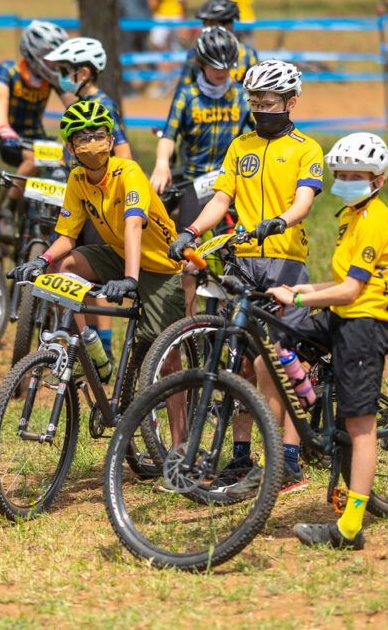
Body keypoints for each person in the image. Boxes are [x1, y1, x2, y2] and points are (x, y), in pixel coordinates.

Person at [168, 60, 324, 493]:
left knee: (270, 363)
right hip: (242, 265)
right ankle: (240, 459)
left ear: (291, 102)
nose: (259, 108)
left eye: (268, 101)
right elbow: (222, 197)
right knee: (236, 365)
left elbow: (304, 201)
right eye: (253, 101)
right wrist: (192, 231)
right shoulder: (240, 146)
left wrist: (280, 221)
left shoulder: (306, 149)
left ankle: (284, 462)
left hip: (284, 264)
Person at [264, 132, 388, 549]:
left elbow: (351, 292)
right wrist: (289, 298)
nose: (343, 180)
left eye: (353, 175)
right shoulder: (349, 215)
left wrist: (301, 295)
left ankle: (349, 527)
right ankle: (314, 406)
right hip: (340, 314)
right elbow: (339, 283)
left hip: (364, 323)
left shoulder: (376, 220)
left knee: (360, 427)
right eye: (339, 173)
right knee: (280, 337)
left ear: (376, 181)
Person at [11, 100, 186, 374]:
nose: (93, 143)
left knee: (167, 362)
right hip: (118, 253)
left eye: (99, 136)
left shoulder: (129, 172)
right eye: (83, 137)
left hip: (159, 265)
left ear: (111, 139)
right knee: (61, 267)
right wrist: (42, 261)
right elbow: (67, 236)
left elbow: (133, 226)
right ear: (70, 148)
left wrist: (130, 280)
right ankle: (84, 349)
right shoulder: (77, 179)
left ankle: (180, 418)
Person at [151, 27, 253, 312]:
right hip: (196, 182)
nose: (221, 72)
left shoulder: (241, 97)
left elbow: (258, 137)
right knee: (186, 252)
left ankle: (234, 315)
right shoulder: (187, 95)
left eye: (227, 67)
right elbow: (169, 134)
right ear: (200, 63)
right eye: (214, 66)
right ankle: (188, 319)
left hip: (231, 182)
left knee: (239, 250)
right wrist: (161, 164)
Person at [44, 36, 131, 356]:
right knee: (71, 271)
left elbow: (123, 152)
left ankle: (98, 349)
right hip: (78, 196)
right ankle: (87, 343)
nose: (63, 76)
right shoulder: (78, 105)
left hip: (99, 201)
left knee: (90, 276)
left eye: (67, 70)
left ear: (85, 72)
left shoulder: (103, 106)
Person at [0, 20, 69, 241]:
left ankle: (50, 216)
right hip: (12, 138)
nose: (53, 64)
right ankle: (7, 209)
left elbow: (71, 102)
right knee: (35, 160)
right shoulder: (9, 70)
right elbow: (0, 97)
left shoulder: (50, 78)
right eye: (50, 57)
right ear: (34, 54)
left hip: (38, 138)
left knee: (65, 165)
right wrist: (3, 127)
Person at [183, 0, 258, 87]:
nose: (205, 30)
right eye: (204, 24)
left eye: (211, 25)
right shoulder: (195, 54)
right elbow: (184, 88)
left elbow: (255, 93)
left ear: (229, 26)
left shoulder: (247, 54)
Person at [146, 0, 189, 96]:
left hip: (165, 16)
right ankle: (174, 80)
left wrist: (148, 0)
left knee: (158, 45)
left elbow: (155, 2)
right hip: (175, 15)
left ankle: (166, 80)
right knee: (173, 48)